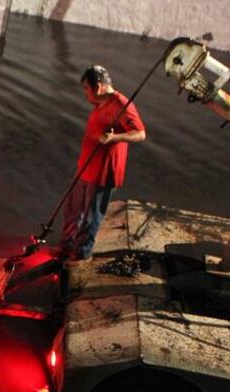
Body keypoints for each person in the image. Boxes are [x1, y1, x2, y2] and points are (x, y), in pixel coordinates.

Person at [61, 64, 147, 264]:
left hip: (102, 174)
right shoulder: (99, 104)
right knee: (73, 210)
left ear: (98, 87)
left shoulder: (122, 105)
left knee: (91, 217)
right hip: (85, 167)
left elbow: (140, 134)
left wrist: (115, 137)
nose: (85, 94)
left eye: (86, 89)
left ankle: (81, 255)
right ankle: (67, 245)